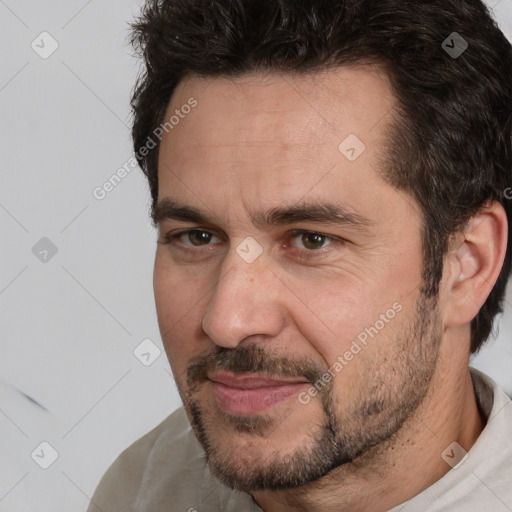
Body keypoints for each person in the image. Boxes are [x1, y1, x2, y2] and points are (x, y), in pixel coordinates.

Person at [88, 0, 512, 510]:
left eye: (312, 240)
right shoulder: (143, 488)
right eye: (197, 237)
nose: (227, 320)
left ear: (467, 265)